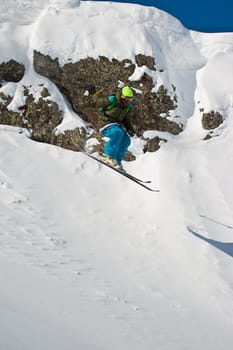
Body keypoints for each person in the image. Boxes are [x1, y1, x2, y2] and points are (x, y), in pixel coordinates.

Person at [80, 85, 136, 170]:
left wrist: (130, 129)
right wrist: (82, 104)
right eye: (126, 99)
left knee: (126, 140)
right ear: (121, 96)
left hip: (115, 125)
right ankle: (108, 156)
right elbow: (96, 102)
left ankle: (117, 161)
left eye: (130, 99)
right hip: (105, 123)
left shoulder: (128, 107)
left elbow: (126, 119)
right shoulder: (112, 100)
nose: (127, 102)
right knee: (118, 133)